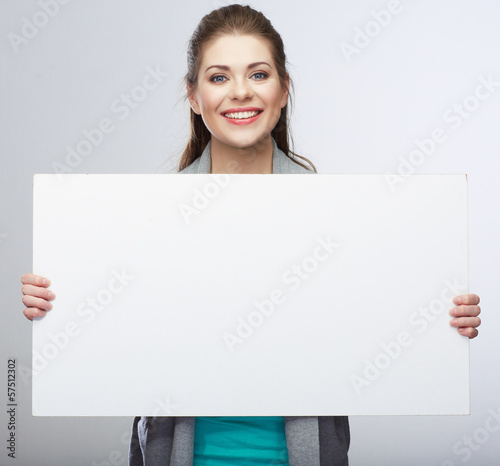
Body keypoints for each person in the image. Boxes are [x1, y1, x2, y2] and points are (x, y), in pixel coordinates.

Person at [20, 4, 481, 465]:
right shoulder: (145, 221)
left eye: (259, 75)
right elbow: (116, 341)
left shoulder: (340, 219)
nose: (240, 92)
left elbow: (379, 328)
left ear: (283, 91)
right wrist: (60, 307)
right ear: (194, 97)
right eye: (219, 77)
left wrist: (440, 323)